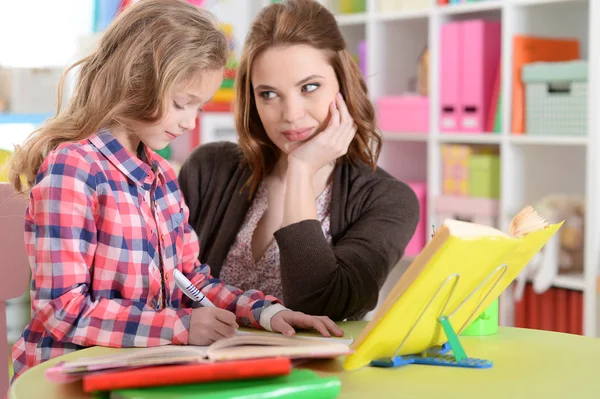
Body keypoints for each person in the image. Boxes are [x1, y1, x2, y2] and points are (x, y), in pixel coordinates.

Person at [7, 0, 342, 382]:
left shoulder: (161, 176)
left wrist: (265, 312)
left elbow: (192, 282)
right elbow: (62, 311)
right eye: (183, 104)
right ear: (135, 81)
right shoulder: (74, 169)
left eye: (198, 108)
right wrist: (177, 326)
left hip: (136, 372)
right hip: (64, 378)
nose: (189, 122)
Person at [178, 0, 420, 322]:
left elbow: (320, 306)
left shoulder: (389, 201)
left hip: (317, 371)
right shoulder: (208, 168)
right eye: (268, 94)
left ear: (343, 86)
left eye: (309, 87)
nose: (291, 116)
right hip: (205, 364)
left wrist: (301, 172)